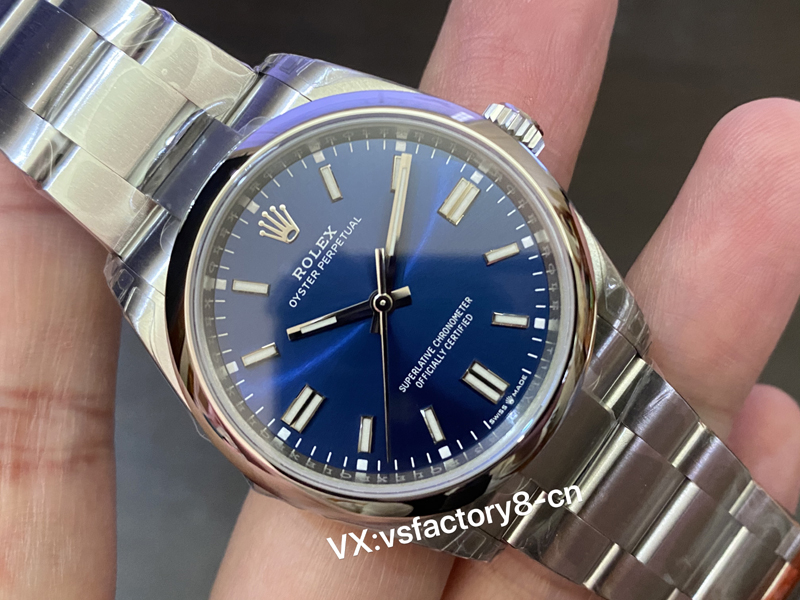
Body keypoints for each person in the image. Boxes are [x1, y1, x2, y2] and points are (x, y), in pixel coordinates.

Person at [2, 0, 800, 598]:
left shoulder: (303, 108)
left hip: (573, 363)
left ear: (504, 141)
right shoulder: (163, 288)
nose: (379, 300)